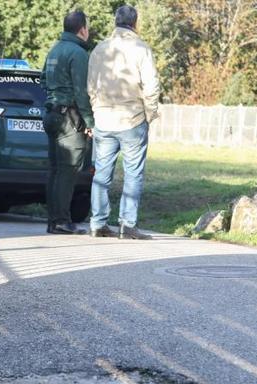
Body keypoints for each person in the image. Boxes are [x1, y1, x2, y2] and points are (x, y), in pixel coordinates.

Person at [87, 5, 159, 240]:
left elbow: (90, 85)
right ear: (135, 23)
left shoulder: (99, 49)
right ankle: (127, 224)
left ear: (115, 22)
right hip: (132, 118)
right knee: (133, 173)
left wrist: (97, 109)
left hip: (104, 119)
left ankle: (98, 223)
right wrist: (150, 114)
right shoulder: (141, 48)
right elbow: (151, 86)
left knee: (101, 174)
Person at [41, 10, 94, 235]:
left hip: (51, 113)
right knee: (67, 171)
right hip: (69, 118)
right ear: (82, 29)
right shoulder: (78, 53)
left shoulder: (54, 50)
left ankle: (54, 220)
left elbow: (43, 79)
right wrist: (90, 121)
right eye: (88, 27)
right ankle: (62, 221)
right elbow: (82, 92)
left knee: (55, 170)